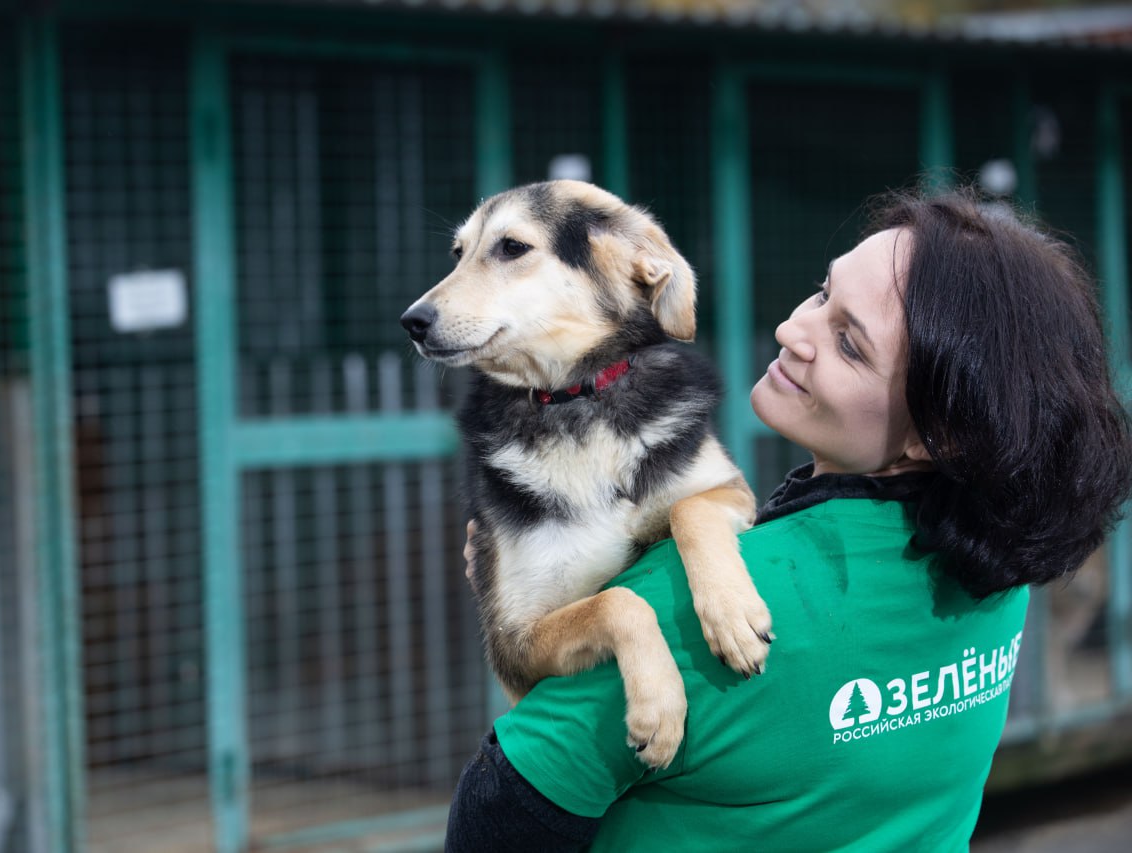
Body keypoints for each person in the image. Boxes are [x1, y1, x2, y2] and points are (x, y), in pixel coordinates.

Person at [443, 186, 1132, 851]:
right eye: (823, 291)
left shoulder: (696, 610)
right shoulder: (995, 571)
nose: (791, 329)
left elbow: (493, 820)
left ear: (940, 434)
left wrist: (523, 602)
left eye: (849, 344)